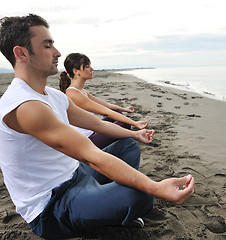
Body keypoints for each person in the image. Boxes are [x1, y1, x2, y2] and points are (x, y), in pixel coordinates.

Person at [0, 14, 194, 238]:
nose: (57, 53)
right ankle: (110, 204)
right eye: (47, 45)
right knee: (142, 196)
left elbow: (95, 124)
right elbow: (90, 154)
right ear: (21, 53)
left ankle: (106, 201)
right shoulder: (24, 107)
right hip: (52, 205)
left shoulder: (52, 95)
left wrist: (137, 133)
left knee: (127, 144)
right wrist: (154, 187)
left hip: (76, 174)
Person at [59, 53, 149, 149]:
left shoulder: (80, 91)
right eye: (87, 66)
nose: (92, 69)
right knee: (125, 123)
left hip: (92, 131)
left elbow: (106, 106)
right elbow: (106, 111)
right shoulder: (73, 94)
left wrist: (124, 109)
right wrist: (135, 123)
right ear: (76, 71)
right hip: (86, 140)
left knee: (117, 113)